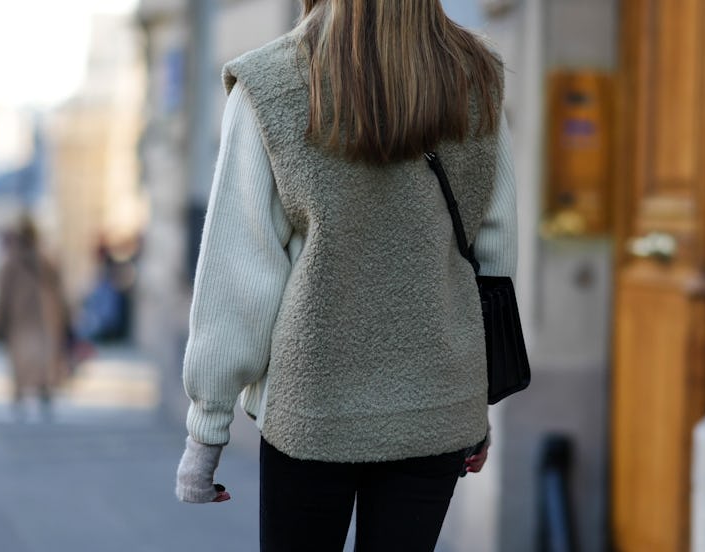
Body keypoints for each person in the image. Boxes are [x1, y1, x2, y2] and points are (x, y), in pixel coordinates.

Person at [175, 1, 518, 550]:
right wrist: (474, 399)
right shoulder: (476, 74)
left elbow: (240, 272)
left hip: (312, 405)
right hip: (439, 399)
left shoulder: (269, 83)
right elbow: (491, 251)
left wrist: (206, 432)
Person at [0, 216, 70, 420]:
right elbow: (60, 291)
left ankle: (25, 392)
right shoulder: (45, 258)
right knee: (42, 355)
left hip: (22, 318)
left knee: (22, 357)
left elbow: (2, 293)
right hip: (42, 317)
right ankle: (42, 390)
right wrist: (66, 315)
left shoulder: (13, 261)